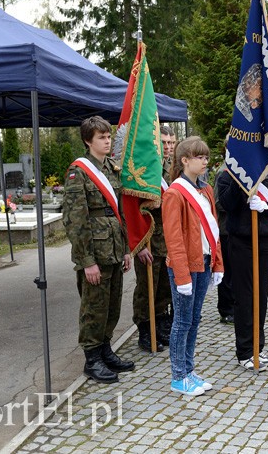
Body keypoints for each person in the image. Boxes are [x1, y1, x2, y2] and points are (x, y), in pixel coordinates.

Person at [63, 116, 134, 383]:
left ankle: (105, 349)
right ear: (87, 141)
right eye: (101, 137)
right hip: (96, 253)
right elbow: (75, 221)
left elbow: (120, 212)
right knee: (93, 307)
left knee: (112, 305)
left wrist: (126, 248)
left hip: (115, 248)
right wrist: (87, 260)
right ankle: (92, 359)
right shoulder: (78, 172)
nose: (107, 141)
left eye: (108, 136)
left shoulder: (111, 169)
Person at [162, 136, 224, 396]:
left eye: (206, 157)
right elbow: (174, 238)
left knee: (194, 319)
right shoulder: (175, 193)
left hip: (204, 260)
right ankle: (178, 375)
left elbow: (214, 230)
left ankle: (188, 369)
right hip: (184, 266)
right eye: (200, 157)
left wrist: (217, 263)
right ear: (185, 160)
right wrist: (181, 276)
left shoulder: (206, 190)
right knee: (182, 321)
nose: (205, 162)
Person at [215, 165, 268, 371]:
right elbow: (226, 204)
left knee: (261, 295)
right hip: (242, 240)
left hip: (265, 239)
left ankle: (258, 345)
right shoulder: (228, 176)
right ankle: (245, 350)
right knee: (245, 297)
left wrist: (267, 207)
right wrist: (242, 183)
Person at [132, 125, 176, 352]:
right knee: (147, 287)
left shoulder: (172, 168)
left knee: (164, 288)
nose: (168, 147)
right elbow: (132, 210)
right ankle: (145, 329)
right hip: (148, 240)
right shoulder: (143, 170)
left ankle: (160, 325)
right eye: (163, 142)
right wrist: (138, 245)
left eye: (171, 143)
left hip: (168, 241)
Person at [213, 164, 235, 324]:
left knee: (237, 272)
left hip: (238, 228)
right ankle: (226, 309)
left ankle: (236, 305)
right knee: (227, 271)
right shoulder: (223, 171)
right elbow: (218, 202)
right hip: (226, 228)